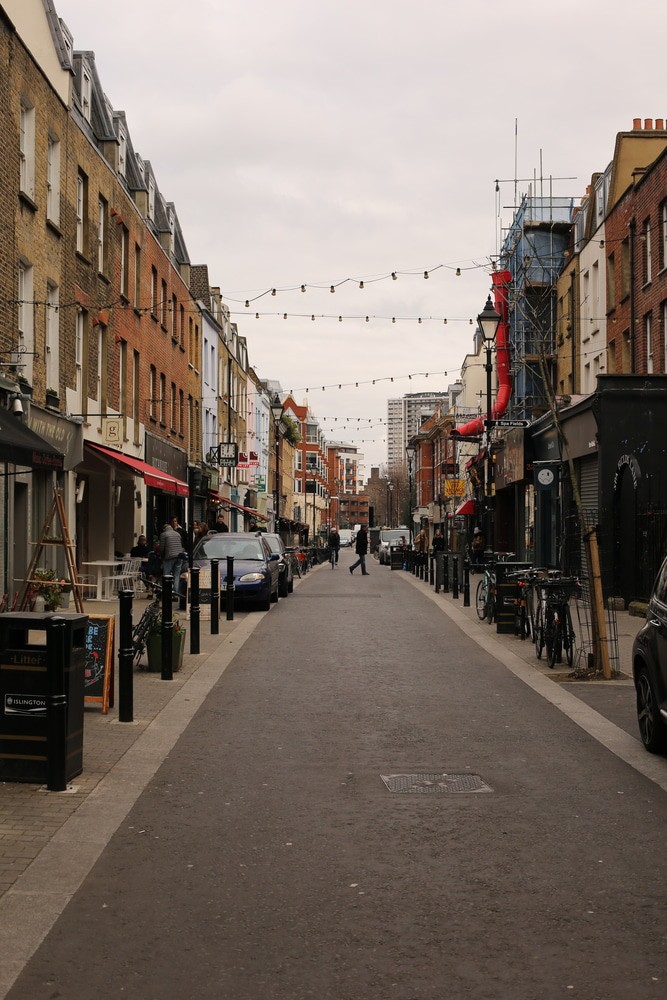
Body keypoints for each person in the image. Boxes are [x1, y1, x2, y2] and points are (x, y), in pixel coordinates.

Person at [160, 522, 185, 601]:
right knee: (176, 576)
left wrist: (162, 557)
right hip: (179, 556)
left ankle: (166, 594)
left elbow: (162, 548)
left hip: (169, 557)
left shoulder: (164, 535)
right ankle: (175, 594)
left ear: (164, 529)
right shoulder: (177, 534)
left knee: (166, 575)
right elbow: (181, 544)